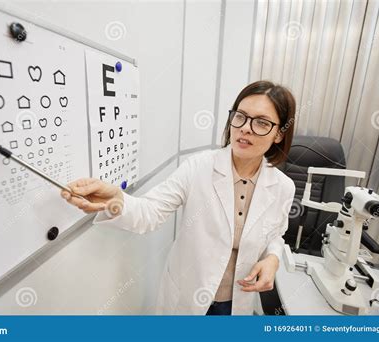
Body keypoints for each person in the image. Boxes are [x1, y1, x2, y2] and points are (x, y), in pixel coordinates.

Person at [61, 80, 296, 315]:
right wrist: (115, 200)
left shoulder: (283, 187)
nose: (245, 128)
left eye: (262, 123)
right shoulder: (199, 167)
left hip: (237, 303)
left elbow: (275, 233)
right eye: (240, 116)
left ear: (279, 134)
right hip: (188, 299)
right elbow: (149, 212)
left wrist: (273, 257)